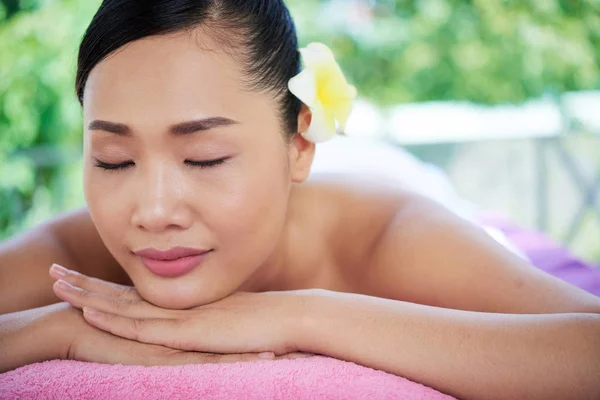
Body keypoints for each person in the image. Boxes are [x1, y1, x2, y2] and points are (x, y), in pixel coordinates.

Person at [1, 1, 599, 399]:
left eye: (205, 158)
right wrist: (57, 331)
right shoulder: (74, 255)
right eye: (115, 161)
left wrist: (299, 316)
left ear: (299, 142)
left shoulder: (388, 234)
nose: (154, 212)